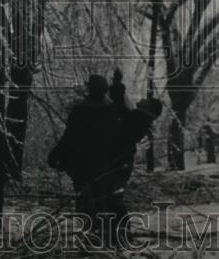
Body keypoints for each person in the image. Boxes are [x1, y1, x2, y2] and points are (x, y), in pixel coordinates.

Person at [48, 69, 162, 244]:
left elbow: (70, 137)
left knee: (97, 202)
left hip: (101, 165)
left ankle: (103, 238)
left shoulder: (129, 117)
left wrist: (58, 156)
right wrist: (117, 87)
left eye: (146, 101)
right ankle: (114, 237)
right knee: (106, 201)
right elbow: (119, 116)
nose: (141, 100)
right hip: (108, 164)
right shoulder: (116, 114)